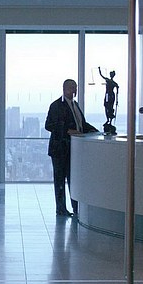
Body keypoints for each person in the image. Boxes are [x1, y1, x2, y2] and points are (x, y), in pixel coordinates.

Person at [45, 79, 97, 217]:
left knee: (73, 180)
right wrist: (67, 131)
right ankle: (61, 208)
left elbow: (81, 124)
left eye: (75, 87)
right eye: (71, 87)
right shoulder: (56, 105)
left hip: (73, 150)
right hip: (60, 149)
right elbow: (49, 125)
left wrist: (95, 131)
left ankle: (76, 208)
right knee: (60, 180)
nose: (74, 90)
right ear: (64, 88)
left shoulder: (75, 105)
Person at [98, 67, 119, 134]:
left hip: (110, 95)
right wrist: (99, 70)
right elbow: (101, 75)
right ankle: (108, 119)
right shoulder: (112, 82)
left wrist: (117, 101)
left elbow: (117, 92)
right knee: (107, 106)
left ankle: (109, 120)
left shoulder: (112, 82)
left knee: (109, 107)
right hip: (109, 95)